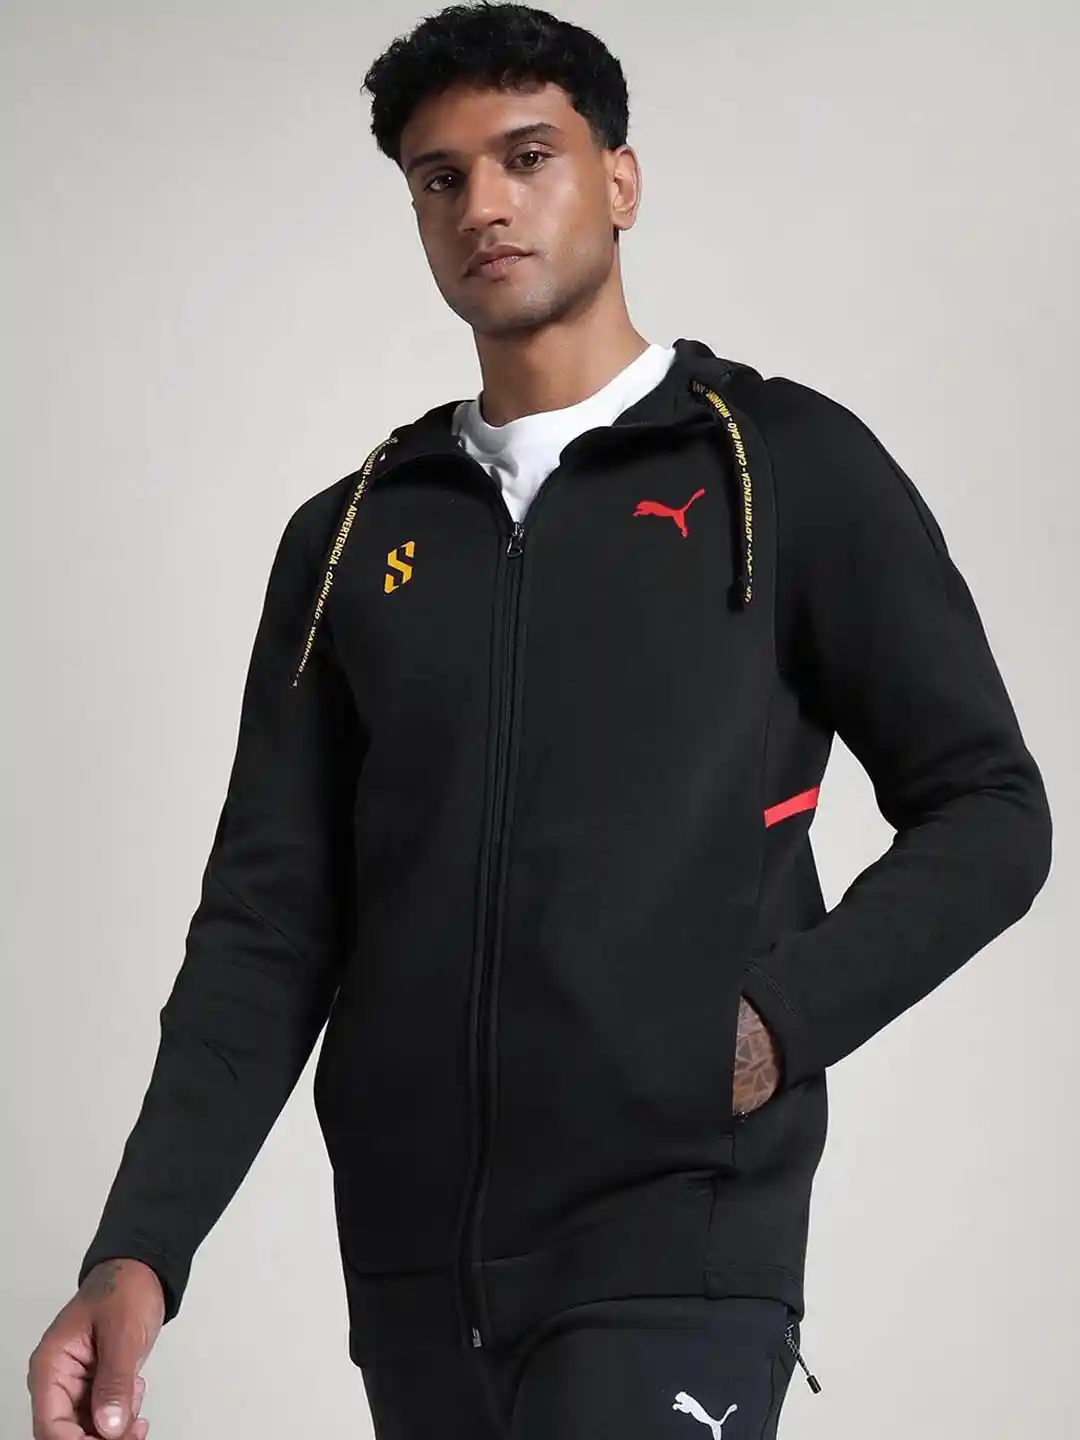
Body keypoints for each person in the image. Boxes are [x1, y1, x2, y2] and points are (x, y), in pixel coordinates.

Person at [27, 4, 1053, 1438]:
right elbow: (267, 924)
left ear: (618, 179)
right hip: (413, 1279)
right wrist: (140, 1250)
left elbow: (992, 811)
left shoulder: (781, 466)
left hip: (673, 1247)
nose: (484, 207)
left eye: (527, 157)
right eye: (440, 179)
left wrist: (769, 1028)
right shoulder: (351, 537)